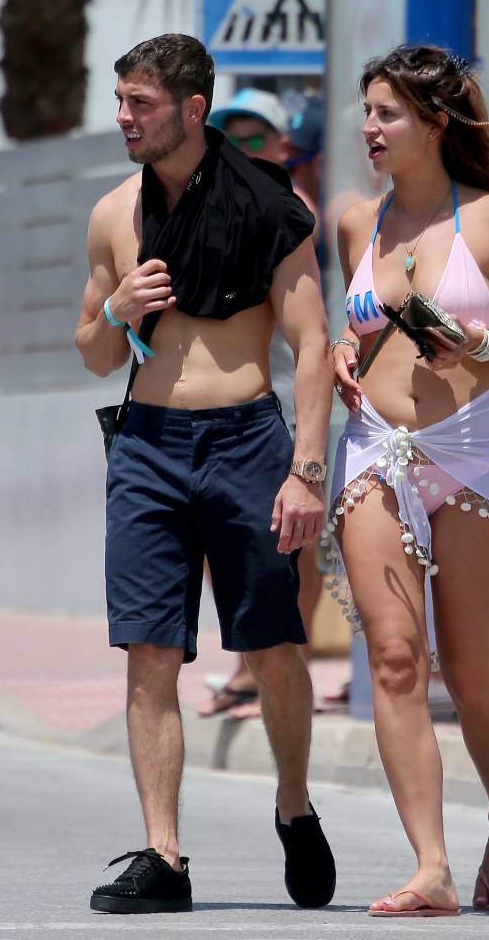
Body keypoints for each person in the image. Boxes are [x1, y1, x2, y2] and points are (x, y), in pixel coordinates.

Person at [74, 33, 335, 914]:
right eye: (120, 101)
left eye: (139, 104)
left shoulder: (271, 205)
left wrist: (305, 469)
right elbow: (92, 352)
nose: (123, 119)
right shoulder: (116, 212)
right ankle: (165, 856)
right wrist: (115, 309)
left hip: (246, 445)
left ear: (192, 109)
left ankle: (294, 808)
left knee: (270, 648)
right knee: (150, 651)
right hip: (146, 445)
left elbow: (312, 345)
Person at [327, 44, 489, 916]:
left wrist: (484, 343)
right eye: (367, 111)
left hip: (473, 448)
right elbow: (341, 329)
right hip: (374, 446)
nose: (369, 128)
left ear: (434, 123)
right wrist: (349, 351)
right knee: (394, 659)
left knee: (470, 674)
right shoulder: (358, 221)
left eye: (387, 113)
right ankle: (432, 866)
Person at [197, 88, 326, 720]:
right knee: (264, 542)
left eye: (255, 139)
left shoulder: (294, 207)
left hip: (300, 402)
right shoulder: (230, 202)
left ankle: (271, 665)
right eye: (232, 138)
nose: (239, 150)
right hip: (257, 403)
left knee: (297, 542)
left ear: (283, 145)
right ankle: (258, 664)